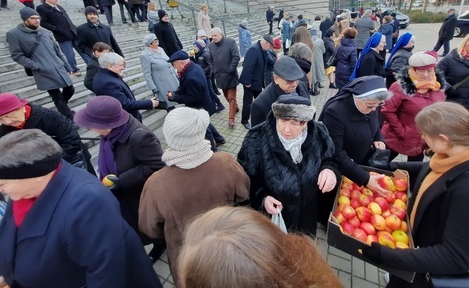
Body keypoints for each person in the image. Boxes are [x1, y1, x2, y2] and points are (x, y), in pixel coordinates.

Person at [0, 129, 162, 288]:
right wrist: (12, 275)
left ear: (36, 176)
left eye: (2, 183)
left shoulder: (88, 202)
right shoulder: (22, 193)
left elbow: (106, 273)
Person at [362, 102, 469, 288]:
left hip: (425, 274)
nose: (423, 140)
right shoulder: (454, 156)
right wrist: (387, 168)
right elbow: (428, 169)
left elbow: (455, 257)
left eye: (425, 136)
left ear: (443, 139)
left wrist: (387, 255)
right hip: (411, 257)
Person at [139, 107, 250, 278]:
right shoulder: (226, 162)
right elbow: (243, 196)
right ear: (201, 133)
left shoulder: (156, 183)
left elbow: (150, 228)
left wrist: (173, 230)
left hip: (186, 260)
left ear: (169, 138)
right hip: (227, 249)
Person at [73, 96, 166, 261]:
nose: (91, 129)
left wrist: (121, 181)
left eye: (92, 125)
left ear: (107, 124)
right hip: (124, 196)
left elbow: (157, 165)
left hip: (139, 196)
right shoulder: (111, 134)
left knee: (147, 225)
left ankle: (160, 244)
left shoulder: (140, 136)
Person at [238, 94, 340, 235]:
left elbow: (331, 158)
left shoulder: (320, 134)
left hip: (307, 218)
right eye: (283, 120)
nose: (287, 129)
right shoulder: (256, 138)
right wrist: (262, 198)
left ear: (305, 122)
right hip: (273, 219)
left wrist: (329, 169)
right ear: (276, 116)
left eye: (295, 123)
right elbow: (247, 177)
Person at [177, 205, 343, 288]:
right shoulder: (307, 267)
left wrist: (330, 170)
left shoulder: (321, 140)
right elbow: (251, 178)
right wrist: (263, 198)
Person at [319, 76, 393, 194]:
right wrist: (365, 179)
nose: (374, 110)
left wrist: (378, 138)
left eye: (378, 105)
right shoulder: (335, 112)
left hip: (362, 165)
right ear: (357, 97)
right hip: (342, 170)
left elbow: (375, 124)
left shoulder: (371, 104)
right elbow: (336, 152)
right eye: (370, 106)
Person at [0, 93, 94, 174]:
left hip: (70, 160)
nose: (7, 121)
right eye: (0, 119)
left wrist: (50, 163)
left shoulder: (49, 116)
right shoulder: (4, 131)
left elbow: (71, 139)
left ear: (22, 108)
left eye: (9, 116)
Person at [7, 7, 75, 120]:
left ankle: (63, 109)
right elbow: (16, 55)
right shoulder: (14, 34)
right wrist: (35, 65)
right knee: (57, 96)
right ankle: (68, 117)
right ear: (25, 19)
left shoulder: (43, 31)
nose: (37, 21)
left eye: (38, 18)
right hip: (43, 71)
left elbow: (56, 49)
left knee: (70, 89)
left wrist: (66, 65)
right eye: (33, 18)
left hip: (58, 66)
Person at [381, 51, 446, 162]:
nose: (426, 75)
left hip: (421, 139)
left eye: (430, 70)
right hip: (397, 137)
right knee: (380, 165)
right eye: (421, 71)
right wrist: (402, 131)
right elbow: (387, 110)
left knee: (415, 170)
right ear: (412, 70)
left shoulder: (437, 87)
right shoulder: (399, 87)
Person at [167, 51, 225, 150]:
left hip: (199, 107)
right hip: (204, 104)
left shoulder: (191, 77)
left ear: (181, 63)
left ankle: (213, 152)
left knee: (204, 129)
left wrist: (175, 98)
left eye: (174, 64)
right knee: (207, 123)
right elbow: (184, 86)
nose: (174, 67)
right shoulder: (193, 67)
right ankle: (219, 139)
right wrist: (177, 92)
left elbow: (192, 99)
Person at [93, 52, 159, 121]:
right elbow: (124, 104)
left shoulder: (104, 75)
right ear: (110, 66)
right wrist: (148, 103)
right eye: (120, 65)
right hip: (126, 120)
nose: (123, 68)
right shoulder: (108, 83)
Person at [36, 0, 90, 76]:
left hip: (72, 32)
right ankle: (74, 69)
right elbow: (43, 22)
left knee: (83, 50)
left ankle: (91, 66)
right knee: (69, 54)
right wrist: (55, 28)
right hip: (62, 35)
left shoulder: (58, 7)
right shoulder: (42, 8)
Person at [251, 56, 310, 127]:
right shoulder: (260, 105)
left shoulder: (301, 85)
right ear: (276, 79)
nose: (295, 84)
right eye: (289, 81)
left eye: (296, 79)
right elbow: (258, 135)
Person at [239, 35, 275, 130]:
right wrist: (247, 82)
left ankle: (263, 118)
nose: (270, 48)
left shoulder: (263, 49)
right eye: (270, 46)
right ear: (266, 43)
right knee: (247, 102)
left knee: (261, 101)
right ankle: (244, 121)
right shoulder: (254, 49)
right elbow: (248, 66)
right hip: (250, 82)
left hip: (258, 81)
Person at [208, 27, 240, 127]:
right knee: (227, 96)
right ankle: (236, 108)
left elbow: (236, 57)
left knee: (231, 97)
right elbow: (210, 60)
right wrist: (213, 70)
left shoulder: (230, 42)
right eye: (212, 36)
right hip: (219, 77)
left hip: (230, 76)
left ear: (221, 34)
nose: (213, 38)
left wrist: (230, 70)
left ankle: (231, 119)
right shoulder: (210, 46)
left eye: (215, 35)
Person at [140, 34, 179, 110]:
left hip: (171, 78)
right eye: (155, 41)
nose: (157, 42)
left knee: (176, 98)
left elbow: (168, 63)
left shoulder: (160, 49)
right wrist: (153, 87)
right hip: (162, 83)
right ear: (149, 44)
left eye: (157, 40)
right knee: (169, 102)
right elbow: (147, 74)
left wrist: (176, 73)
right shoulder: (145, 55)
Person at [191, 39, 224, 113]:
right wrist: (191, 58)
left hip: (206, 76)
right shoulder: (197, 54)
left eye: (196, 47)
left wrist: (206, 74)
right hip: (201, 76)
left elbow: (211, 66)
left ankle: (219, 104)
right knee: (208, 91)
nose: (194, 48)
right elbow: (196, 65)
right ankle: (214, 104)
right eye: (194, 47)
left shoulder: (205, 54)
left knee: (210, 91)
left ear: (200, 47)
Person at [310, 27, 326, 92]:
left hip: (310, 59)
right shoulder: (320, 41)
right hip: (318, 59)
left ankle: (311, 88)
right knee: (318, 72)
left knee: (312, 72)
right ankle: (316, 88)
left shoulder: (308, 41)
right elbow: (323, 50)